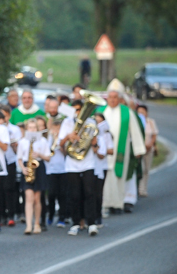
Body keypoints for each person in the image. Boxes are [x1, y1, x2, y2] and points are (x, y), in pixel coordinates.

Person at [100, 80, 146, 214]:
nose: (113, 100)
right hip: (104, 152)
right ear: (107, 98)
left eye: (115, 98)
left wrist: (138, 149)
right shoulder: (101, 111)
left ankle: (117, 203)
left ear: (120, 99)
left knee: (118, 177)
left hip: (120, 151)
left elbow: (135, 131)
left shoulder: (126, 112)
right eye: (110, 97)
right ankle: (105, 203)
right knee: (105, 179)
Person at [57, 106, 100, 236]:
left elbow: (96, 145)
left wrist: (93, 142)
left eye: (79, 109)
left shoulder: (91, 123)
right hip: (71, 163)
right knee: (74, 194)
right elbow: (61, 144)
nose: (77, 112)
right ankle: (76, 223)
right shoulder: (67, 122)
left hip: (88, 162)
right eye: (75, 110)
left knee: (90, 192)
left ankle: (92, 223)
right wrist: (68, 137)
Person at [16, 119, 50, 234]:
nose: (32, 130)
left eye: (34, 128)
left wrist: (39, 154)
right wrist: (23, 168)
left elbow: (48, 157)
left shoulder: (43, 141)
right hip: (27, 167)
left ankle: (37, 223)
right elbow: (19, 158)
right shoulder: (23, 141)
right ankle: (29, 225)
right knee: (28, 197)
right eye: (30, 128)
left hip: (38, 167)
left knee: (37, 198)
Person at [137, 104, 157, 197]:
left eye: (143, 112)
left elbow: (154, 134)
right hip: (140, 149)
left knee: (146, 170)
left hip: (149, 149)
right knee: (140, 168)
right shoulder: (136, 122)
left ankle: (143, 189)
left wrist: (151, 144)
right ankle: (138, 188)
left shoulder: (150, 122)